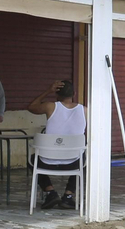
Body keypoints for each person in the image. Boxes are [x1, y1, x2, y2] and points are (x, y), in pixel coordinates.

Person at [28, 78, 85, 210]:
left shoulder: (50, 106)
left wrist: (48, 91)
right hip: (73, 163)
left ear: (57, 94)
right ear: (74, 94)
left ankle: (51, 192)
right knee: (84, 158)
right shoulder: (85, 110)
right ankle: (68, 196)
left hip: (47, 162)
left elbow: (31, 107)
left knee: (32, 160)